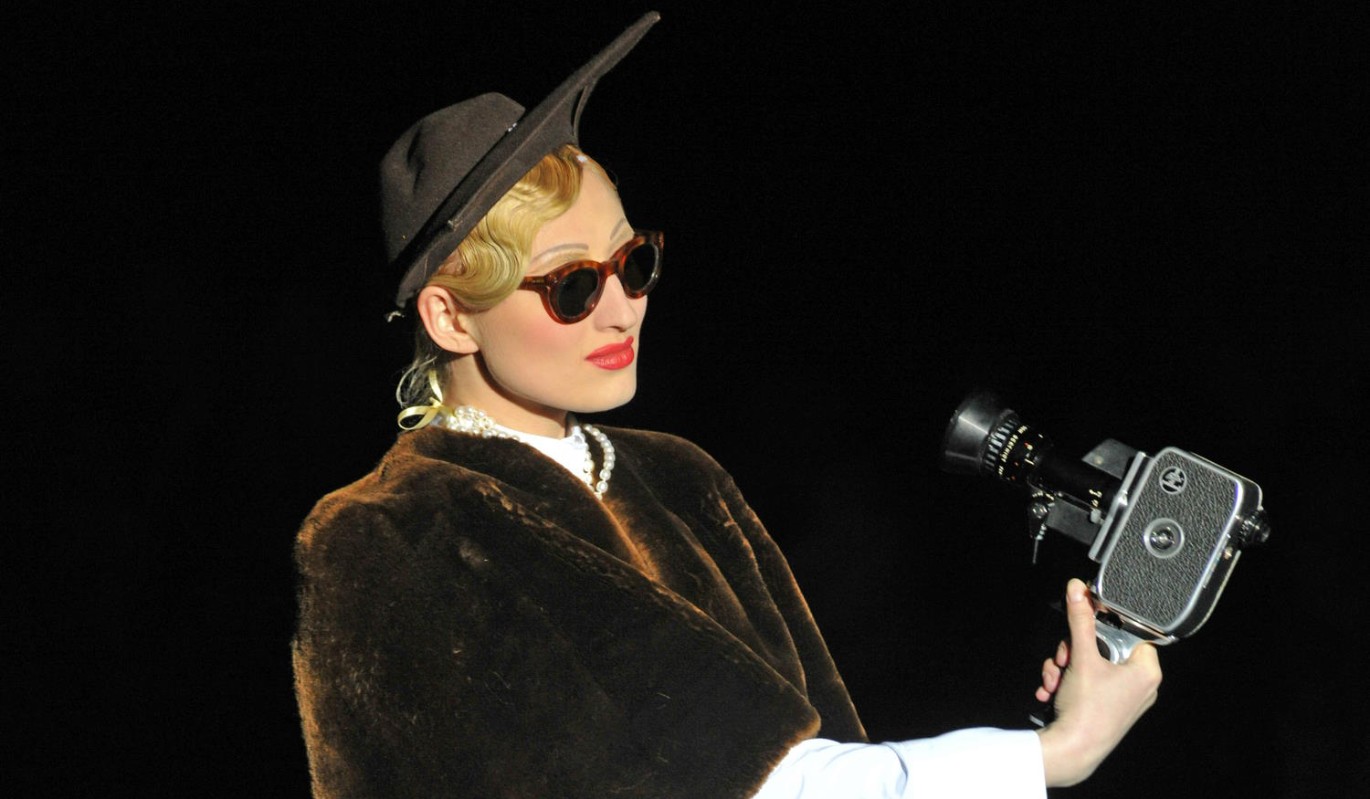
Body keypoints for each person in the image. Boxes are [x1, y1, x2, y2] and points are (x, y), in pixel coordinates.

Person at [291, 12, 1161, 798]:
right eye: (572, 286)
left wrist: (1044, 726)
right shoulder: (384, 535)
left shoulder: (678, 473)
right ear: (450, 317)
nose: (623, 308)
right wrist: (1053, 753)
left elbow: (817, 751)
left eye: (633, 262)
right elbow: (758, 783)